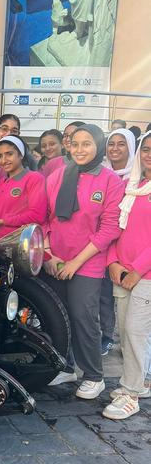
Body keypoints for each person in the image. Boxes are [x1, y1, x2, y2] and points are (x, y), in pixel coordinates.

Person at [42, 124, 125, 400]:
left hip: (88, 261)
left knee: (83, 316)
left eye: (87, 144)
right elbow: (44, 217)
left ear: (97, 146)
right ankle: (64, 366)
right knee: (57, 315)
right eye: (75, 144)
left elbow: (110, 228)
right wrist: (48, 253)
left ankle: (93, 375)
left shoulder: (110, 180)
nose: (80, 150)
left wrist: (76, 262)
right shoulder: (57, 175)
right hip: (56, 257)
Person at [103, 131, 151, 419]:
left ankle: (131, 391)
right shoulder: (131, 185)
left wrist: (138, 270)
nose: (148, 154)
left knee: (135, 330)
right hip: (122, 271)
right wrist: (112, 262)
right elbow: (115, 229)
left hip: (145, 275)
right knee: (126, 333)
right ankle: (137, 380)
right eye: (145, 149)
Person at [99, 127, 137, 355]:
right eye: (111, 143)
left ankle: (131, 344)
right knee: (104, 294)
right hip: (105, 242)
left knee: (130, 299)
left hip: (130, 246)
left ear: (131, 147)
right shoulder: (101, 173)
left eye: (121, 144)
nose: (115, 148)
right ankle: (106, 335)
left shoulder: (138, 176)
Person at [0, 136, 47, 239]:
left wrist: (4, 221)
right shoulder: (1, 180)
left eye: (9, 154)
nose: (3, 160)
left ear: (21, 154)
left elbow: (38, 215)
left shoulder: (34, 178)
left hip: (19, 243)